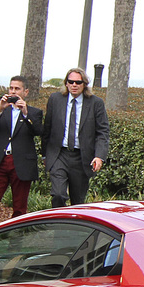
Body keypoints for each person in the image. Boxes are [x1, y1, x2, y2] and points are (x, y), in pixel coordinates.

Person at [0, 76, 43, 227]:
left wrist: (26, 113)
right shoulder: (2, 110)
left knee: (20, 208)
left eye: (17, 89)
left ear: (25, 92)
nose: (13, 92)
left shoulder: (34, 112)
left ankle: (16, 240)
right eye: (11, 88)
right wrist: (0, 109)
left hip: (20, 163)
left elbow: (38, 130)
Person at [42, 68, 108, 207]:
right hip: (59, 155)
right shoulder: (55, 99)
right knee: (58, 194)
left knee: (77, 202)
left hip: (82, 158)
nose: (74, 85)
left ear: (84, 84)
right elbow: (47, 128)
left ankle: (71, 227)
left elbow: (102, 132)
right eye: (70, 82)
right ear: (66, 83)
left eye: (78, 82)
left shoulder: (96, 103)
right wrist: (44, 155)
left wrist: (99, 156)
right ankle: (58, 224)